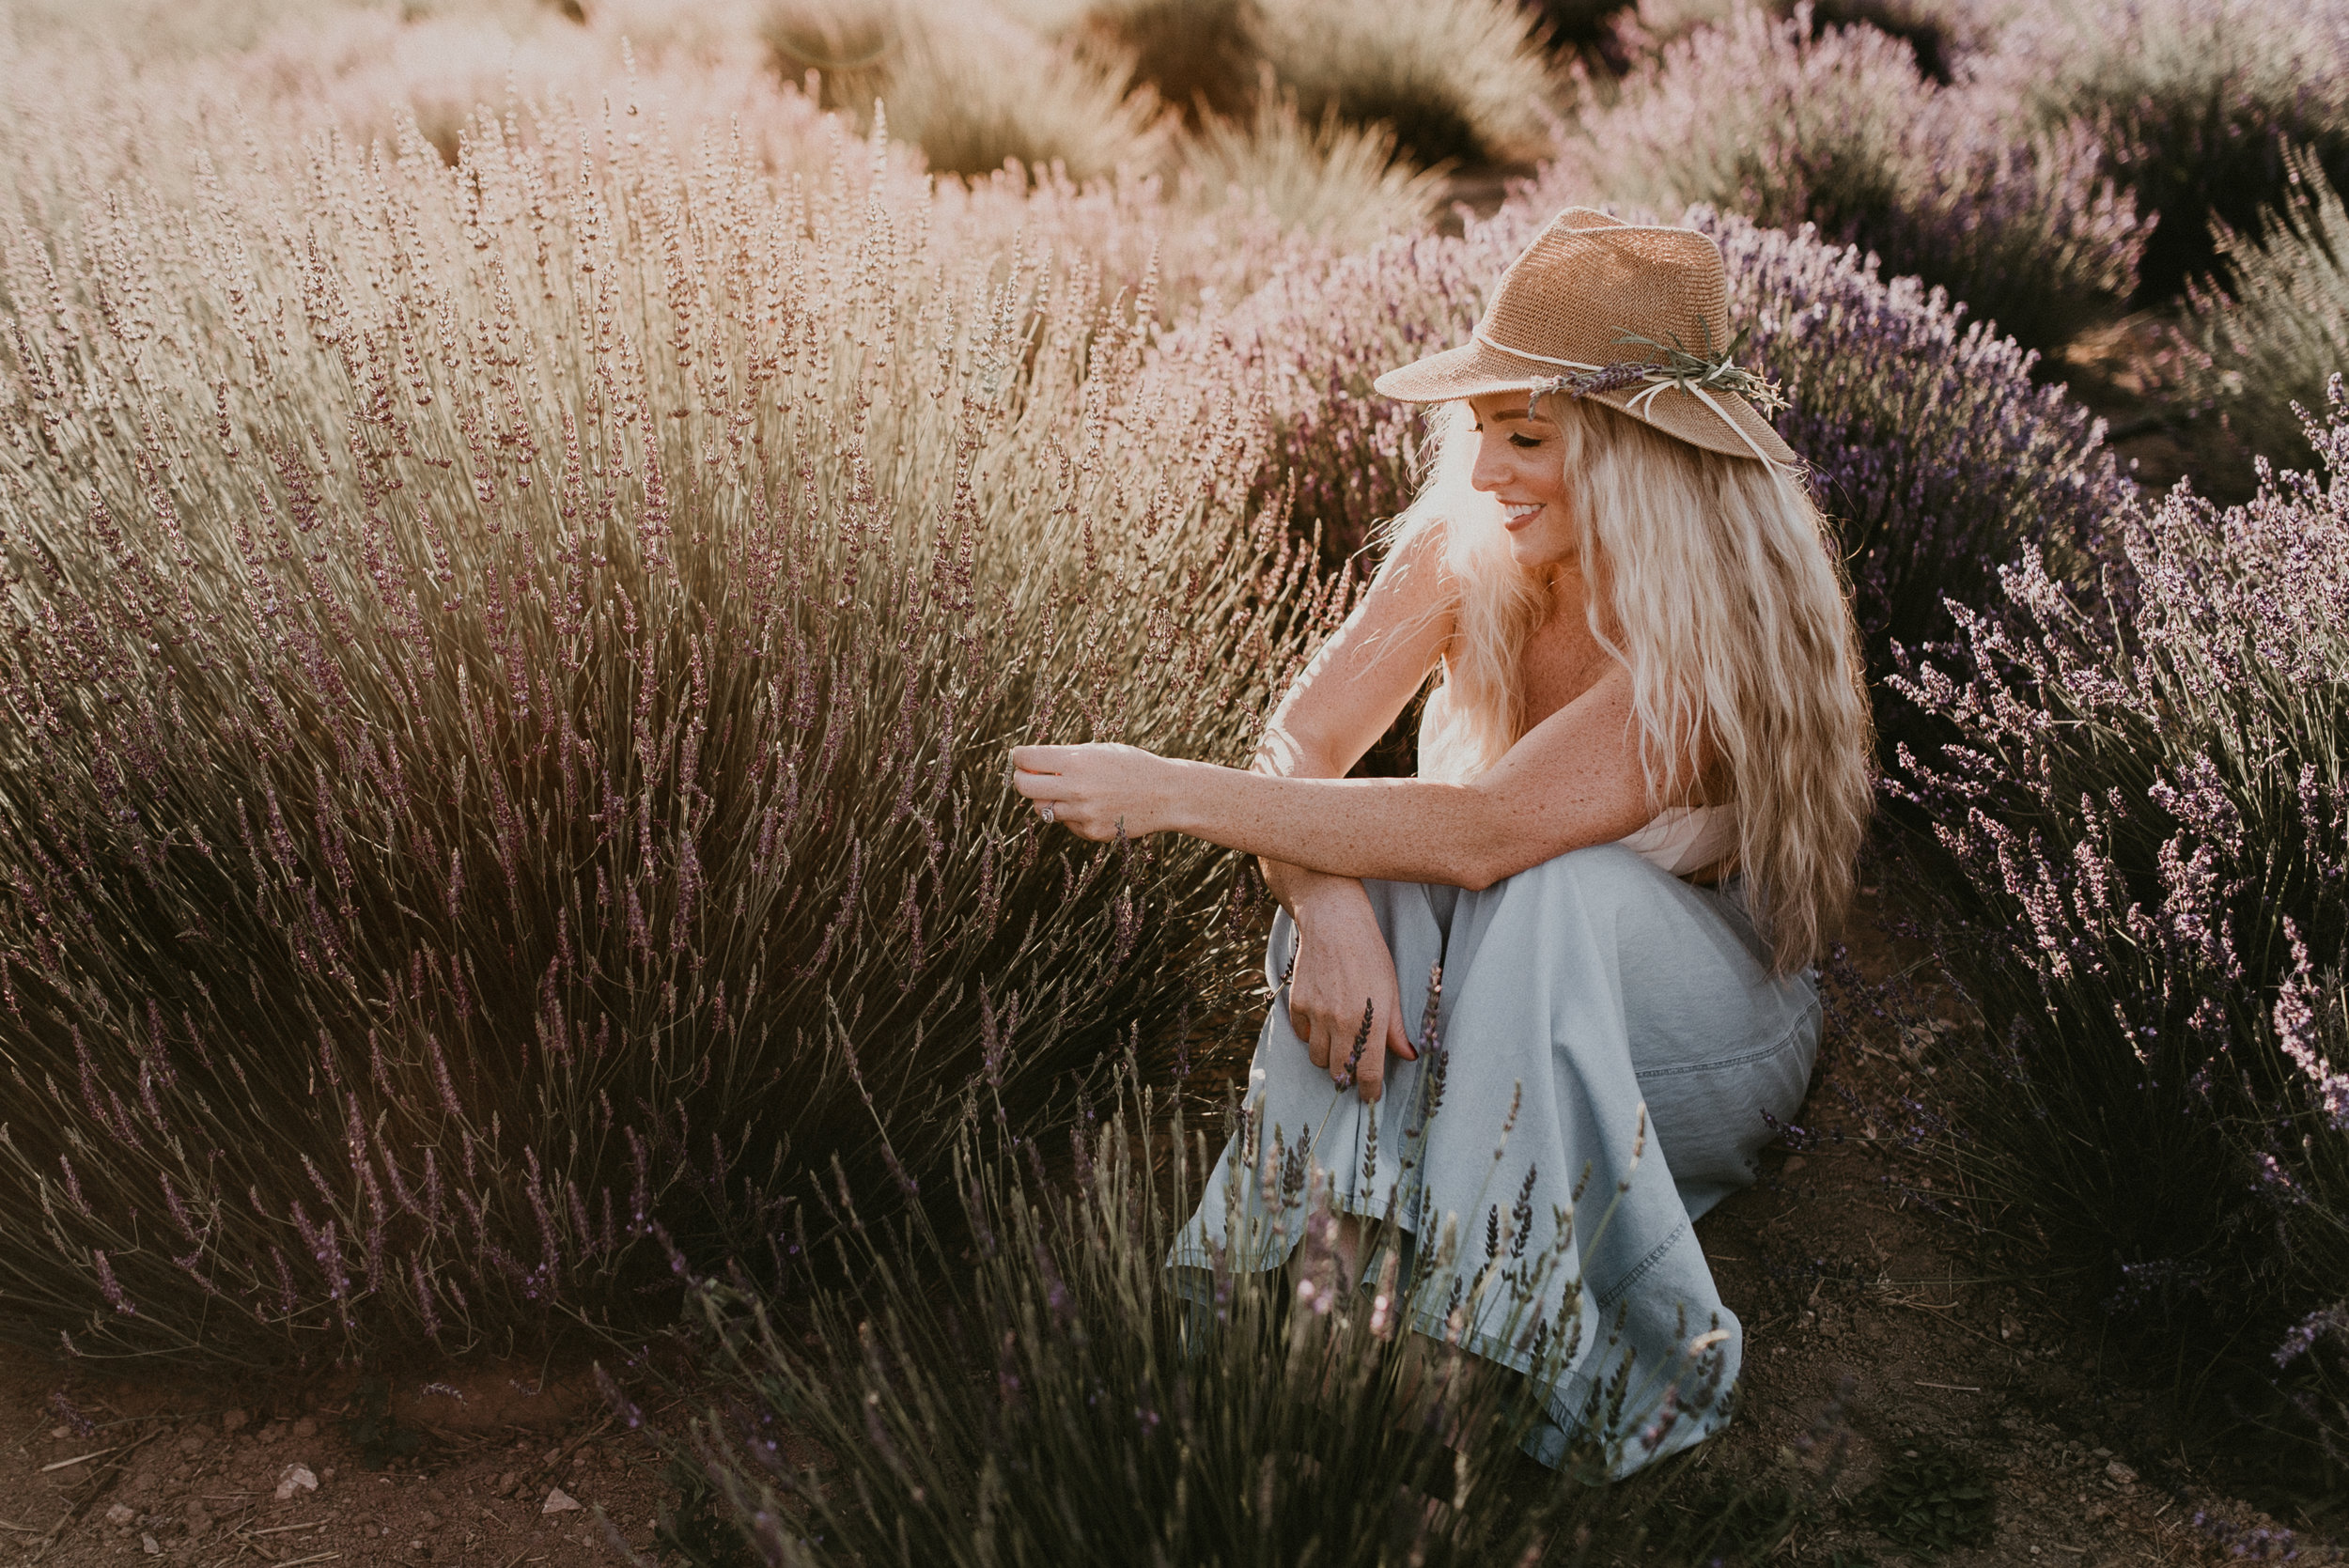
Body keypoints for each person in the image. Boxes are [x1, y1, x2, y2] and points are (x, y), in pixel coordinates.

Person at [1009, 207, 1874, 1472]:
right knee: (1374, 862)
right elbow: (1301, 748)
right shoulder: (1472, 548)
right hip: (1498, 1008)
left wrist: (1169, 791)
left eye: (1525, 437)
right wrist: (1325, 907)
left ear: (1638, 450)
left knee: (1548, 877)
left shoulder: (1714, 633)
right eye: (1481, 433)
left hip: (1697, 1048)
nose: (1484, 476)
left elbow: (1484, 832)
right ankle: (1319, 1284)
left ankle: (1476, 1338)